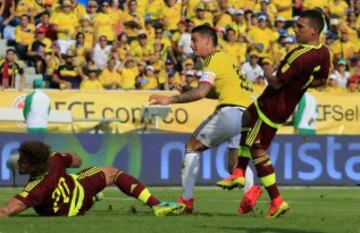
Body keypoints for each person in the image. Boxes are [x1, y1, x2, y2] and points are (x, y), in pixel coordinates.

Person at [217, 10, 330, 218]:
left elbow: (275, 82)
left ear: (313, 31)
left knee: (257, 148)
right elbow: (323, 80)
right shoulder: (324, 52)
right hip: (283, 106)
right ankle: (240, 172)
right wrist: (301, 85)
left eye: (300, 27)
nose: (295, 30)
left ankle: (276, 200)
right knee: (246, 117)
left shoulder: (299, 55)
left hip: (272, 104)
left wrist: (266, 65)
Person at [149, 24, 257, 214]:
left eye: (195, 40)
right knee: (233, 164)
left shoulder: (213, 59)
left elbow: (202, 92)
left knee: (192, 146)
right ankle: (251, 191)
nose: (191, 45)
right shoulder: (227, 60)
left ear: (208, 41)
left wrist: (170, 99)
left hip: (231, 112)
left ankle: (187, 200)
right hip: (248, 115)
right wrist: (188, 90)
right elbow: (215, 92)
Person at [0, 141, 185, 217]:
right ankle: (156, 205)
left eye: (22, 161)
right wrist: (64, 159)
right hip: (81, 191)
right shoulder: (54, 159)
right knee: (112, 173)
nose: (18, 163)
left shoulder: (34, 189)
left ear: (34, 164)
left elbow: (6, 211)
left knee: (67, 180)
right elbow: (77, 160)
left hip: (70, 211)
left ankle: (96, 195)